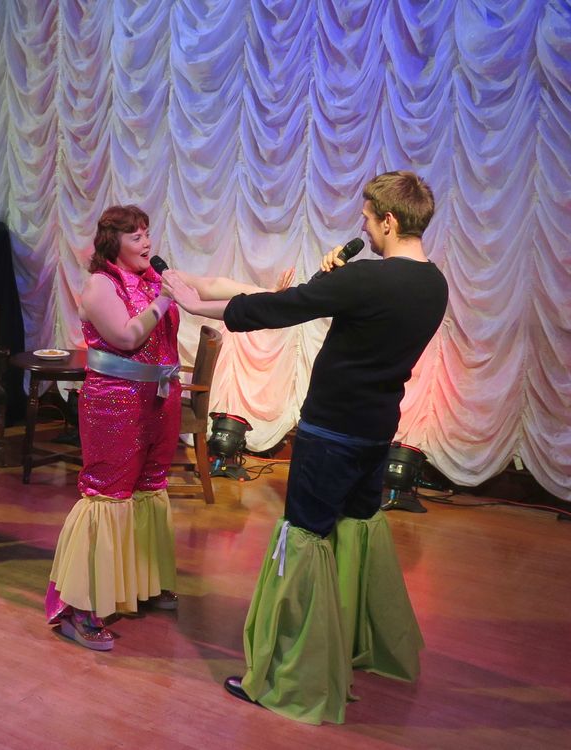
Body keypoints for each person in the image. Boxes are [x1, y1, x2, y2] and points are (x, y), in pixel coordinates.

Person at [165, 171, 448, 724]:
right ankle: (349, 644)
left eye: (368, 219)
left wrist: (197, 305)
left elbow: (282, 308)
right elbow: (350, 314)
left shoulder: (367, 278)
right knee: (353, 529)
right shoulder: (434, 284)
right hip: (375, 432)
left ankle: (290, 676)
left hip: (331, 431)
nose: (364, 228)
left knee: (304, 540)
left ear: (390, 221)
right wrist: (333, 282)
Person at [45, 205, 291, 650]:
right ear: (113, 243)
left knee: (148, 487)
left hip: (160, 398)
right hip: (115, 403)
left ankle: (141, 583)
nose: (147, 243)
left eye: (147, 233)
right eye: (136, 236)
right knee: (108, 494)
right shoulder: (100, 285)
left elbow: (211, 286)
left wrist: (267, 294)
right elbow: (126, 336)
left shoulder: (153, 277)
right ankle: (79, 607)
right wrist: (164, 297)